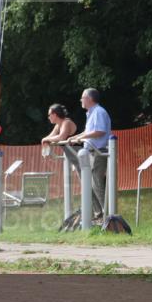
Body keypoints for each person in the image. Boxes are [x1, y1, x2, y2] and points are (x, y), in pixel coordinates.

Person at [64, 88, 111, 219]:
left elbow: (99, 131)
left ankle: (107, 214)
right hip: (90, 152)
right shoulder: (91, 113)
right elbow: (87, 132)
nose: (81, 100)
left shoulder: (99, 112)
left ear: (89, 99)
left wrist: (80, 138)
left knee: (97, 182)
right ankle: (99, 213)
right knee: (87, 183)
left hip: (98, 152)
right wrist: (75, 137)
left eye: (82, 97)